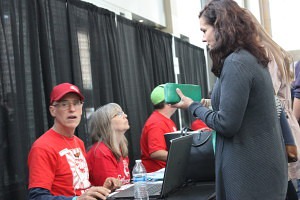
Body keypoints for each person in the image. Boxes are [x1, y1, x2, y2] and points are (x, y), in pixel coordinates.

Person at [173, 0, 288, 199]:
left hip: (250, 173)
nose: (203, 38)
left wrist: (192, 106)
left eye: (204, 30)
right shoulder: (247, 58)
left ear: (221, 27)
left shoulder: (237, 62)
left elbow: (226, 123)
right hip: (258, 168)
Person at [28, 83, 121, 200]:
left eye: (76, 103)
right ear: (53, 111)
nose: (72, 109)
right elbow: (37, 197)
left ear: (81, 108)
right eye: (64, 104)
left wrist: (103, 189)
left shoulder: (78, 142)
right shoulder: (42, 147)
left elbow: (79, 189)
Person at [249, 12, 300, 199]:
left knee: (281, 186)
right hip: (282, 124)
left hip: (278, 126)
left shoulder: (265, 53)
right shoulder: (270, 50)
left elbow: (266, 94)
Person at [86, 103, 131, 186]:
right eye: (119, 114)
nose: (125, 115)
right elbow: (111, 191)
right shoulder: (101, 152)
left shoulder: (120, 148)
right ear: (106, 123)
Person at [140, 84, 177, 172]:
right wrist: (182, 158)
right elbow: (156, 152)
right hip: (158, 176)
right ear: (168, 102)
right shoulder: (157, 123)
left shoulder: (164, 120)